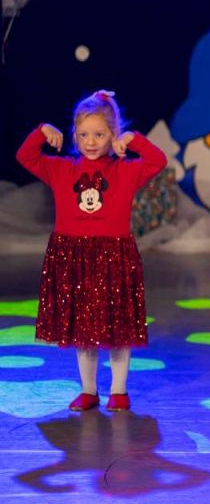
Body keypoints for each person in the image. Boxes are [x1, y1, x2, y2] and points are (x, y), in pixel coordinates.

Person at [17, 90, 167, 412]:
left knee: (118, 328)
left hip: (114, 257)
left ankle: (119, 390)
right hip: (74, 258)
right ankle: (88, 390)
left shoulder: (125, 170)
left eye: (99, 134)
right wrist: (42, 131)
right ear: (74, 135)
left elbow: (158, 161)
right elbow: (25, 157)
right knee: (83, 330)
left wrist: (133, 140)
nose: (91, 141)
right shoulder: (62, 169)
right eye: (83, 134)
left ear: (113, 134)